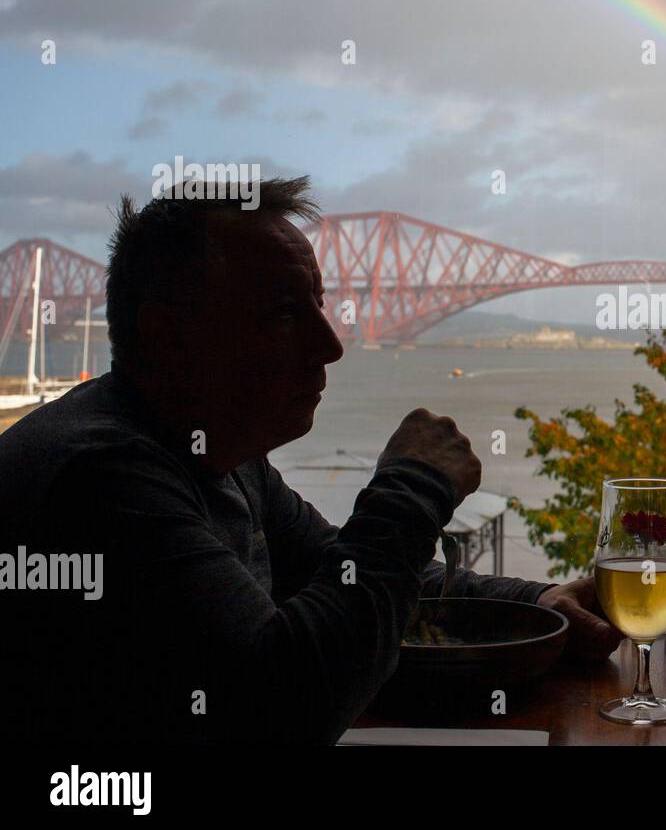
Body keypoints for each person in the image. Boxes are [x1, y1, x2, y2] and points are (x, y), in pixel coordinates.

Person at [0, 176, 620, 744]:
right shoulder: (99, 478)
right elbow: (283, 706)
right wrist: (412, 489)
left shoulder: (218, 453)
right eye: (284, 313)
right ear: (168, 336)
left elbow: (345, 577)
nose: (330, 346)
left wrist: (534, 600)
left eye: (319, 304)